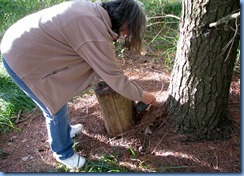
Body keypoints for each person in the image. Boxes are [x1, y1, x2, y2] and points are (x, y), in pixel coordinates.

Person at [1, 0, 156, 169]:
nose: (127, 35)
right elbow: (116, 79)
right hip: (19, 57)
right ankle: (63, 153)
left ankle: (64, 132)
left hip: (24, 43)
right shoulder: (94, 33)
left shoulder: (93, 12)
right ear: (125, 22)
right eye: (130, 31)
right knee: (53, 106)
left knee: (57, 96)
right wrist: (144, 96)